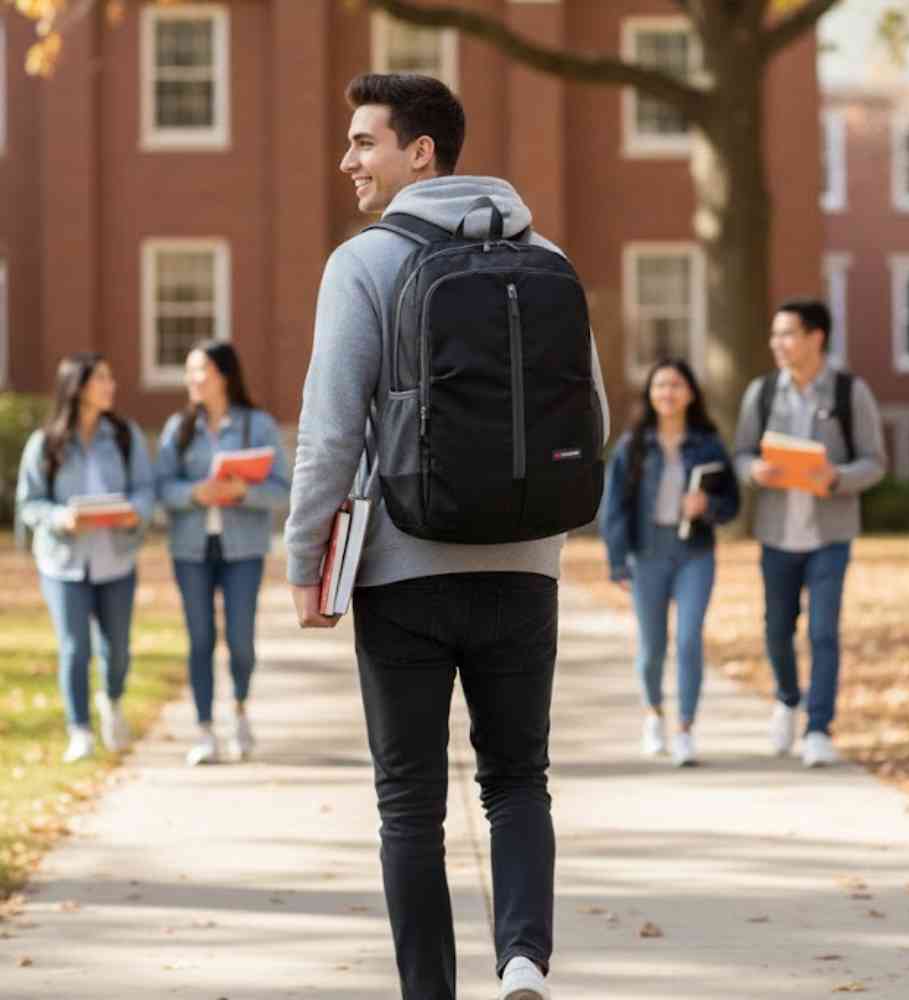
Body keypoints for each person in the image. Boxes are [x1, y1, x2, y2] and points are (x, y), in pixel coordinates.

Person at [285, 73, 608, 1000]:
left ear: (417, 152)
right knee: (518, 781)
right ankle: (521, 964)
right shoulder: (548, 253)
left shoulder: (363, 263)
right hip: (524, 572)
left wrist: (306, 556)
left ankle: (429, 992)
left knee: (410, 806)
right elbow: (594, 418)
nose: (347, 161)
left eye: (362, 142)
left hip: (401, 572)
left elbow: (331, 429)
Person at [733, 299, 885, 767]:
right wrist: (755, 470)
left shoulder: (848, 392)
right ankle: (787, 698)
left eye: (787, 334)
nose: (777, 343)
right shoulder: (761, 393)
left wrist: (836, 478)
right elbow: (739, 454)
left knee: (823, 633)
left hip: (829, 536)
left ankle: (819, 728)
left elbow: (875, 462)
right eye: (775, 335)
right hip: (777, 535)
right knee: (776, 631)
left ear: (816, 337)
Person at [155, 340, 290, 766]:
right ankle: (204, 729)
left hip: (243, 549)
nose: (192, 379)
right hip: (191, 549)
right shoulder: (178, 428)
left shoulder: (259, 426)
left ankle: (241, 711)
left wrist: (242, 491)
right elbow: (162, 490)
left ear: (224, 375)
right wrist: (195, 492)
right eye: (189, 370)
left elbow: (283, 490)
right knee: (199, 639)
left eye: (201, 370)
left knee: (240, 639)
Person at [16, 353, 154, 763]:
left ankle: (110, 701)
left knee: (119, 649)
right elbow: (29, 504)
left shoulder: (125, 436)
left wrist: (135, 511)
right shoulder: (46, 444)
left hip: (116, 560)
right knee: (75, 648)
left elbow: (145, 490)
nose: (111, 386)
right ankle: (80, 731)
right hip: (63, 564)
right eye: (101, 380)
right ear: (77, 388)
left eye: (110, 379)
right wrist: (62, 518)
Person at [600, 359, 739, 766]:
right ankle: (653, 715)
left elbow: (732, 503)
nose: (668, 392)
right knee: (653, 646)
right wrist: (616, 561)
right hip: (647, 553)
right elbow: (615, 509)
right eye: (660, 385)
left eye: (676, 385)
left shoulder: (708, 444)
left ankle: (685, 729)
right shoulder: (633, 446)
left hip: (695, 552)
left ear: (690, 393)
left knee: (690, 638)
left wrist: (707, 505)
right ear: (650, 394)